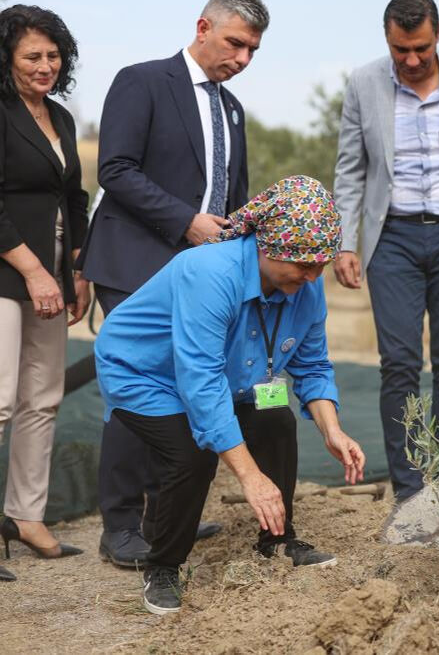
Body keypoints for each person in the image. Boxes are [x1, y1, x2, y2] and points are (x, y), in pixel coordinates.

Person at [95, 175, 366, 615]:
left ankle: (277, 541)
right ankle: (163, 565)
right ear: (268, 247)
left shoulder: (306, 283)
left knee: (275, 418)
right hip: (144, 373)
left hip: (230, 374)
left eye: (321, 264)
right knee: (193, 452)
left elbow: (313, 364)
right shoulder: (210, 273)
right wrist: (250, 477)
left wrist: (332, 430)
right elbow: (201, 381)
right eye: (303, 264)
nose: (313, 275)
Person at [77, 0, 268, 568]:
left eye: (253, 50)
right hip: (135, 261)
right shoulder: (142, 81)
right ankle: (119, 527)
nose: (243, 58)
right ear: (203, 27)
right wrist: (187, 222)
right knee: (135, 388)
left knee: (191, 385)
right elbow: (115, 169)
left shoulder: (233, 108)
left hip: (202, 273)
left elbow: (233, 195)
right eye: (235, 43)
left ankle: (167, 515)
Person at [333, 0, 439, 501]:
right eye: (401, 49)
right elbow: (350, 168)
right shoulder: (363, 82)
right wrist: (345, 242)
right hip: (392, 240)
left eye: (421, 47)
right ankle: (409, 490)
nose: (412, 59)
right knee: (399, 364)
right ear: (387, 40)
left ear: (437, 35)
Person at [0, 4, 88, 580]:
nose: (45, 65)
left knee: (43, 397)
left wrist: (77, 268)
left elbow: (75, 197)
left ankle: (26, 517)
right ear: (7, 58)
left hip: (53, 274)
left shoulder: (60, 116)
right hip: (8, 272)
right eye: (33, 55)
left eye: (54, 55)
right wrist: (34, 271)